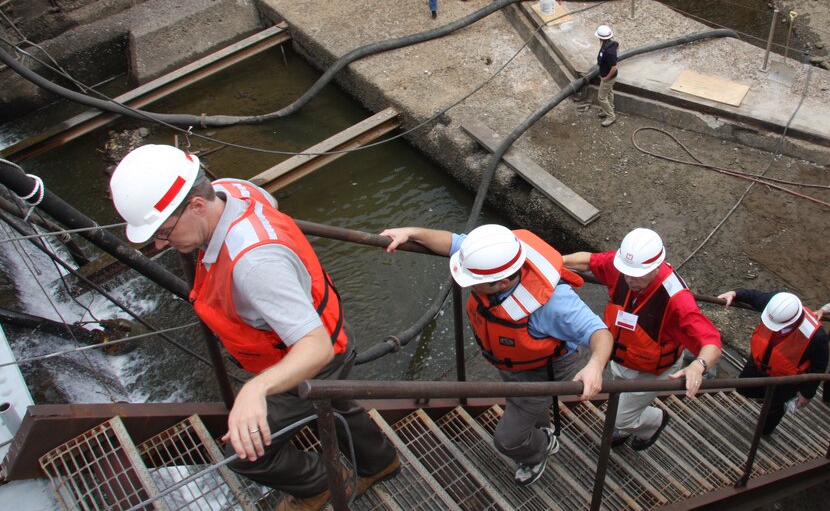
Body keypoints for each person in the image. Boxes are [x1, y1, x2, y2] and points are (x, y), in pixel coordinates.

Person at [108, 145, 399, 511]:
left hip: (313, 352)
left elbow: (316, 347)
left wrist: (255, 390)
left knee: (246, 453)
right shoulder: (232, 190)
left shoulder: (254, 266)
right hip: (326, 324)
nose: (160, 243)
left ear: (197, 206)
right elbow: (270, 204)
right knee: (337, 402)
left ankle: (325, 483)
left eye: (165, 231)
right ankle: (380, 461)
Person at [379, 224, 612, 487]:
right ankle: (538, 426)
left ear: (501, 282)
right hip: (512, 360)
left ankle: (540, 449)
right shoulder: (496, 251)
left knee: (508, 439)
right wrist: (411, 233)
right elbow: (453, 242)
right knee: (523, 403)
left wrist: (595, 364)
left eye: (474, 282)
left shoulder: (555, 304)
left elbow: (599, 332)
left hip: (544, 372)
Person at [562, 228, 721, 451]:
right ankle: (628, 421)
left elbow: (711, 341)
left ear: (657, 267)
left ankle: (653, 422)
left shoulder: (677, 300)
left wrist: (699, 365)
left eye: (637, 275)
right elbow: (588, 261)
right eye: (626, 273)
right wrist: (556, 261)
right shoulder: (625, 268)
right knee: (620, 398)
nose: (629, 279)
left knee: (620, 418)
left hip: (650, 371)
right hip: (623, 358)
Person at [716, 289, 829, 437]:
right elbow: (755, 296)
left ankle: (763, 433)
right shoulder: (777, 304)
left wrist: (807, 394)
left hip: (786, 380)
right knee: (743, 388)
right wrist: (735, 294)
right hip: (760, 361)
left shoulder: (817, 336)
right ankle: (764, 395)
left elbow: (819, 366)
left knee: (773, 409)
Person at [595, 25, 619, 127]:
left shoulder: (609, 52)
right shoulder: (611, 43)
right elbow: (618, 45)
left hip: (608, 78)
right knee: (609, 93)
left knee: (601, 97)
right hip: (606, 75)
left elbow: (614, 68)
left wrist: (606, 78)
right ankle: (609, 109)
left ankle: (610, 116)